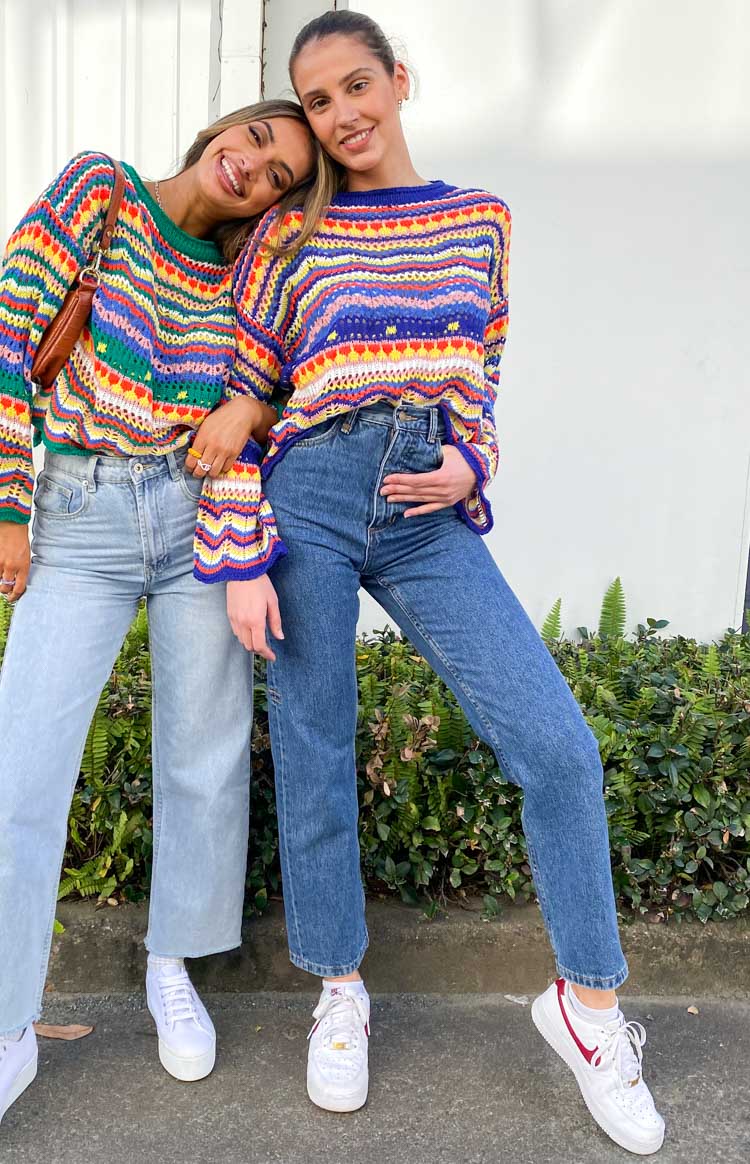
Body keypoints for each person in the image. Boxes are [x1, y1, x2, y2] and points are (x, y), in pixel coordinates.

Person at [203, 11, 665, 1156]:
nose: (342, 115)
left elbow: (482, 376)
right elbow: (242, 395)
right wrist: (241, 549)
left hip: (425, 507)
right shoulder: (289, 233)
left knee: (557, 745)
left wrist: (472, 462)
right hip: (308, 494)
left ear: (399, 81)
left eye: (357, 86)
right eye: (318, 102)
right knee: (315, 748)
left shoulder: (479, 219)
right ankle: (339, 992)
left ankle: (589, 1009)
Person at [0, 99, 323, 1124]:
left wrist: (250, 405)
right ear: (227, 127)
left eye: (278, 177)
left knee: (204, 754)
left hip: (197, 522)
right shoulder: (101, 190)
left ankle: (171, 966)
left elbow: (286, 385)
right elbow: (7, 333)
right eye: (257, 141)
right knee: (22, 770)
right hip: (79, 513)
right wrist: (6, 506)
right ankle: (7, 1023)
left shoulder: (245, 275)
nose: (253, 169)